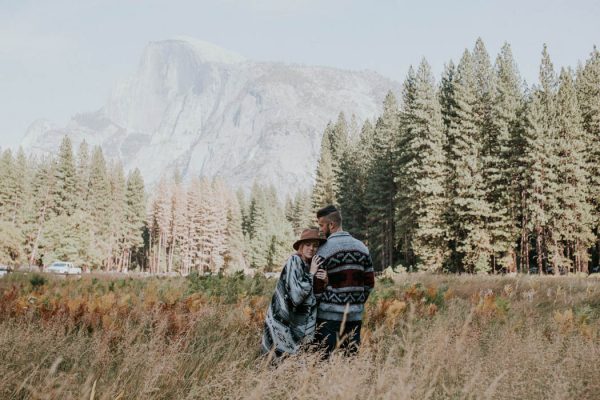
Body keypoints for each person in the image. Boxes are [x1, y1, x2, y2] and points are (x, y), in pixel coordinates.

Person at [313, 205, 374, 356]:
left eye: (321, 225)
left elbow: (317, 287)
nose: (320, 229)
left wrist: (321, 303)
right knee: (350, 364)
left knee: (324, 363)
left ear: (331, 225)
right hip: (354, 316)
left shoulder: (323, 250)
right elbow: (370, 283)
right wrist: (356, 302)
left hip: (329, 318)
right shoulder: (362, 248)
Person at [261, 228, 328, 357]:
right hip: (285, 320)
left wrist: (325, 281)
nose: (311, 248)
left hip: (298, 322)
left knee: (292, 362)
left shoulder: (309, 264)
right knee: (279, 361)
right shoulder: (294, 261)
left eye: (315, 245)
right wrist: (312, 273)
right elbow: (297, 296)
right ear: (301, 247)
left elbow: (314, 297)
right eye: (308, 245)